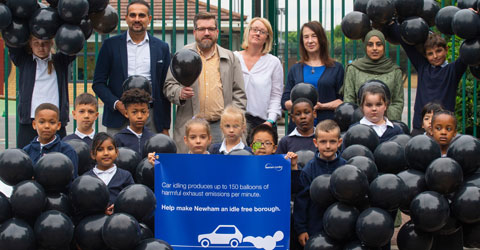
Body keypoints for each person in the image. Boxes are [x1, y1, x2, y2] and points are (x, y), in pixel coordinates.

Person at [164, 11, 247, 153]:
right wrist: (179, 93)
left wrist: (232, 121)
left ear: (217, 32)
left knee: (223, 169)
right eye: (202, 29)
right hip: (192, 126)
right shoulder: (182, 55)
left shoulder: (230, 57)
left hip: (221, 126)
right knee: (192, 170)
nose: (207, 33)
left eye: (211, 29)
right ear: (195, 32)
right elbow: (168, 86)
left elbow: (239, 93)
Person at [93, 0, 171, 136]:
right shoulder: (110, 45)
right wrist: (117, 104)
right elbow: (98, 83)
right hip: (119, 115)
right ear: (126, 18)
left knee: (151, 156)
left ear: (149, 19)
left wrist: (165, 126)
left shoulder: (162, 47)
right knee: (118, 156)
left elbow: (164, 88)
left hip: (151, 116)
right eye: (133, 15)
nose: (137, 19)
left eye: (141, 15)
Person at [385, 22, 467, 131]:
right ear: (425, 55)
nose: (435, 56)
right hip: (420, 127)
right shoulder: (423, 67)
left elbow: (468, 50)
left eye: (439, 51)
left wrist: (474, 18)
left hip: (443, 128)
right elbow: (405, 43)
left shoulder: (453, 70)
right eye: (430, 53)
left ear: (446, 50)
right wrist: (392, 23)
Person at [9, 36, 76, 148]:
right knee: (27, 159)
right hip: (29, 121)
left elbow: (73, 45)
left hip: (55, 120)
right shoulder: (24, 60)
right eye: (36, 43)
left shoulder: (60, 61)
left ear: (51, 43)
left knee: (56, 159)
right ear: (30, 43)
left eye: (45, 43)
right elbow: (12, 43)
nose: (41, 47)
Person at [282, 21, 344, 134]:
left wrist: (322, 106)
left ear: (321, 39)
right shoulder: (295, 69)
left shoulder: (336, 68)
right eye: (306, 37)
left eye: (314, 36)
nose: (310, 41)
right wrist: (300, 105)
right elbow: (285, 101)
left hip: (327, 131)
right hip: (298, 131)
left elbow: (342, 101)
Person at [294, 119, 346, 247]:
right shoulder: (309, 170)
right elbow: (301, 202)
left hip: (341, 226)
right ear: (315, 143)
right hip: (315, 226)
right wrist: (301, 229)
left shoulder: (346, 167)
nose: (328, 146)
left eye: (332, 141)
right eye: (323, 142)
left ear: (339, 142)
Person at [234, 17, 283, 137]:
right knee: (238, 155)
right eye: (254, 29)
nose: (257, 33)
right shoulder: (234, 58)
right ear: (248, 32)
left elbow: (276, 95)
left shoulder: (273, 62)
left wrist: (270, 121)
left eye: (262, 31)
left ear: (267, 37)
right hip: (236, 124)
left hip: (263, 125)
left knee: (259, 154)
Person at [342, 29, 404, 121]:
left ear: (384, 46)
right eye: (370, 44)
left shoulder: (394, 71)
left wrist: (382, 118)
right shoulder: (353, 69)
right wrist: (363, 119)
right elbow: (349, 100)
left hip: (387, 123)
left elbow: (398, 102)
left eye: (379, 44)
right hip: (361, 124)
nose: (374, 48)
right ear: (365, 47)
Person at [84, 132, 134, 214]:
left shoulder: (125, 176)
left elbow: (131, 199)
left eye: (110, 148)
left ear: (116, 152)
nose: (106, 153)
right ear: (93, 154)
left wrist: (119, 207)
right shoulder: (86, 178)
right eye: (100, 149)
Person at [23, 103, 78, 177]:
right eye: (42, 122)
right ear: (34, 124)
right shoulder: (26, 152)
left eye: (52, 122)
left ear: (58, 126)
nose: (47, 126)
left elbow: (72, 179)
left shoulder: (67, 151)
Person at [114, 88, 155, 156]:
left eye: (143, 112)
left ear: (148, 113)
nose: (139, 116)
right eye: (134, 112)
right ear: (126, 113)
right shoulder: (118, 139)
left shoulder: (153, 138)